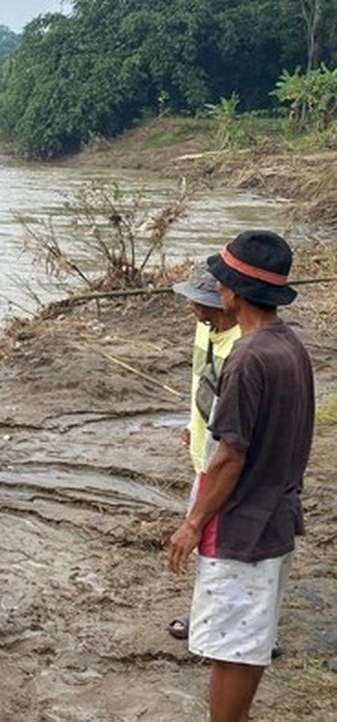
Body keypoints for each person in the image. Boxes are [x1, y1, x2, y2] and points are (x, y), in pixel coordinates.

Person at [166, 231, 314, 722]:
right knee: (251, 637)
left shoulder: (247, 357)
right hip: (274, 517)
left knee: (230, 645)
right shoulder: (288, 345)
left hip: (242, 526)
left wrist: (192, 523)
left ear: (230, 291)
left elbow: (230, 455)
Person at [165, 262, 241, 641]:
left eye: (200, 301)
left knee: (218, 542)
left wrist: (193, 521)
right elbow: (201, 379)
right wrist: (191, 424)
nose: (192, 307)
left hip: (227, 461)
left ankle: (230, 621)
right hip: (204, 449)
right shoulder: (205, 327)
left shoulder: (246, 346)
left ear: (227, 300)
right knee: (210, 546)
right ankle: (210, 611)